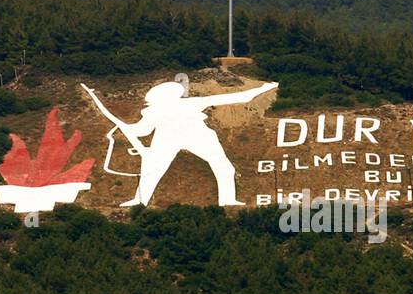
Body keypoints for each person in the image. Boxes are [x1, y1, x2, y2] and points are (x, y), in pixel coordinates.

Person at [88, 80, 277, 207]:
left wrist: (263, 89)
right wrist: (129, 128)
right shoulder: (154, 111)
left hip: (198, 135)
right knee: (152, 171)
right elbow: (142, 130)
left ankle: (227, 200)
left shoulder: (190, 103)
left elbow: (239, 97)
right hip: (167, 139)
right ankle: (139, 201)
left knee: (224, 168)